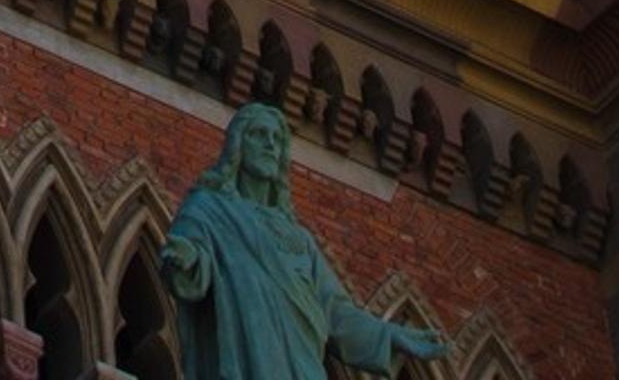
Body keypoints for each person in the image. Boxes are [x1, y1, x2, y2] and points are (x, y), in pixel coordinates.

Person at [161, 104, 447, 378]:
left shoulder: (300, 239)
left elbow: (335, 311)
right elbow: (191, 262)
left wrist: (390, 335)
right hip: (248, 353)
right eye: (259, 134)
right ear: (237, 146)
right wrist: (186, 260)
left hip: (301, 362)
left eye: (276, 139)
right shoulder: (209, 209)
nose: (270, 145)